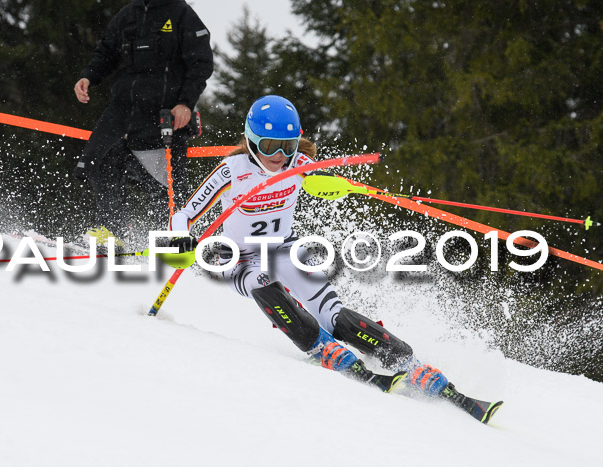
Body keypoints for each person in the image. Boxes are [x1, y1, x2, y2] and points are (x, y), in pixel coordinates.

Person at [168, 95, 503, 423]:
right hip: (238, 258)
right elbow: (184, 215)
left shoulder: (300, 165)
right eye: (270, 146)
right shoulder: (232, 170)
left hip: (284, 248)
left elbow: (327, 183)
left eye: (289, 145)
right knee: (260, 280)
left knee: (333, 314)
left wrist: (340, 187)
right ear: (253, 141)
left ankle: (407, 362)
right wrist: (181, 237)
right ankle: (318, 347)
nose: (280, 156)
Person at [73, 0, 214, 245]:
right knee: (98, 160)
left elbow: (201, 62)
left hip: (165, 113)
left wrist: (185, 103)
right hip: (122, 109)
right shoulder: (127, 14)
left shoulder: (181, 13)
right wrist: (87, 77)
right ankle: (113, 231)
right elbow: (105, 53)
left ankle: (172, 239)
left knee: (164, 184)